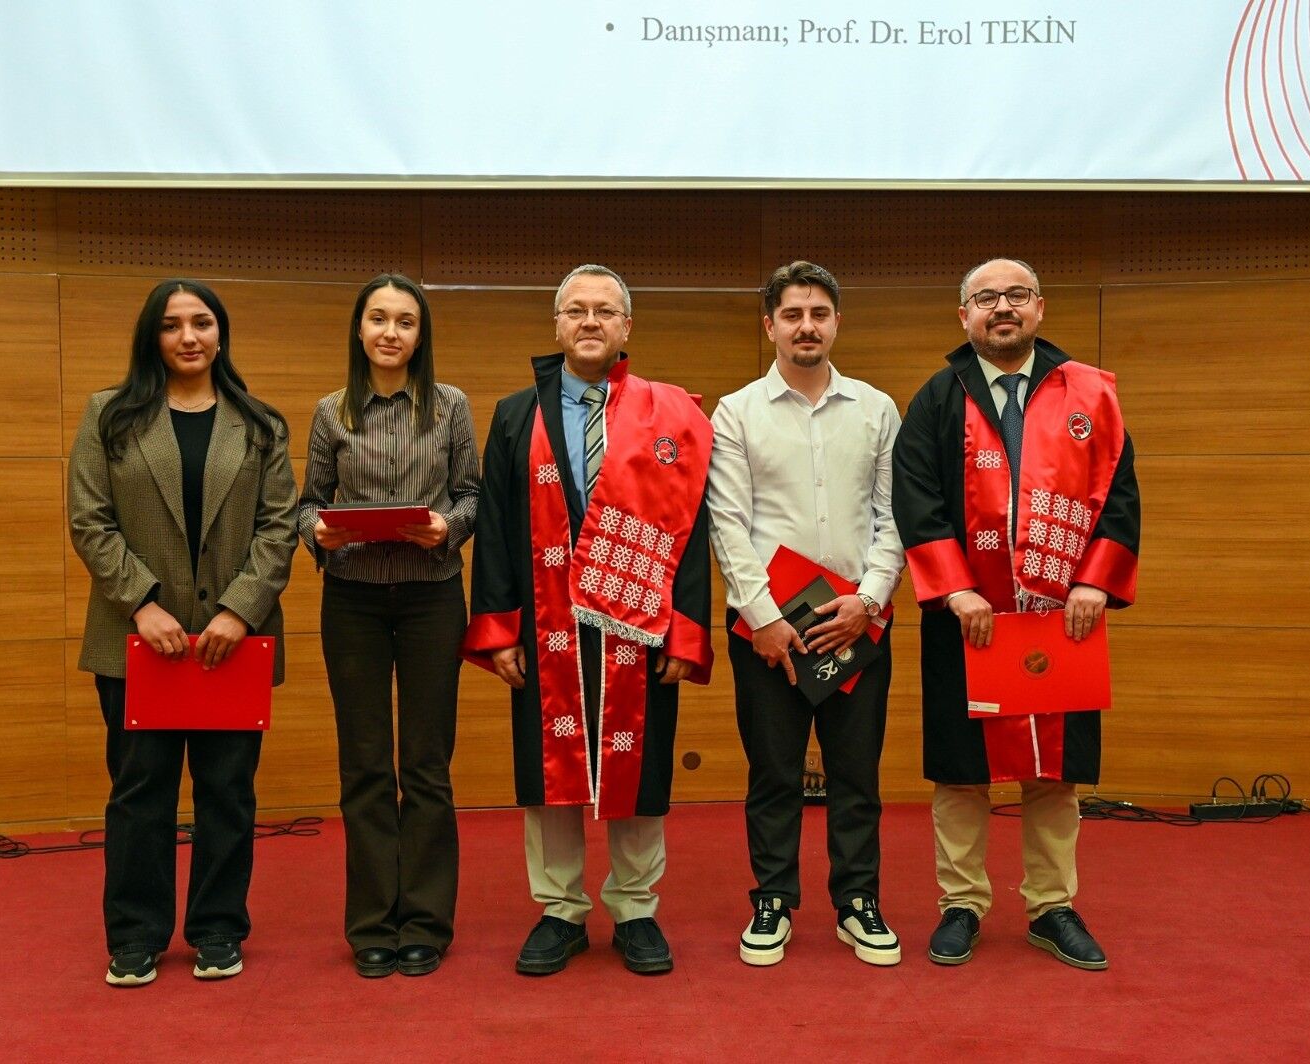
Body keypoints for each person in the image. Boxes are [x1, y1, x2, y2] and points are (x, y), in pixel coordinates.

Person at [461, 264, 713, 976]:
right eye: (577, 310)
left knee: (640, 763)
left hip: (641, 621)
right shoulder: (516, 414)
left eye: (606, 310)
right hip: (548, 623)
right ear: (558, 325)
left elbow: (689, 530)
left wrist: (684, 631)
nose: (591, 321)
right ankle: (560, 909)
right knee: (552, 769)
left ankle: (636, 909)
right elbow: (500, 531)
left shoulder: (671, 415)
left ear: (627, 326)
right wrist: (498, 628)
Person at [891, 258, 1140, 971]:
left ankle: (1051, 905)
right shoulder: (939, 398)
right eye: (986, 298)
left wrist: (1096, 581)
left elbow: (1119, 495)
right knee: (962, 773)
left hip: (1063, 615)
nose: (1003, 308)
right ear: (963, 315)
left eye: (1017, 295)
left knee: (1054, 771)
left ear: (1040, 307)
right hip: (966, 615)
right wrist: (954, 587)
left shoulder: (1089, 393)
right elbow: (914, 497)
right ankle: (961, 904)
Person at [68, 278, 297, 987]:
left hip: (235, 640)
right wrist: (142, 603)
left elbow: (279, 527)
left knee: (228, 792)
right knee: (142, 792)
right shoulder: (109, 414)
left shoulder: (259, 423)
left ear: (221, 334)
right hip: (139, 641)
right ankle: (135, 935)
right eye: (172, 325)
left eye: (202, 323)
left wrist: (238, 609)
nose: (189, 337)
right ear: (152, 336)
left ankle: (219, 929)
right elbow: (90, 520)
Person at [708, 261, 906, 968]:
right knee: (773, 773)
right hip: (768, 632)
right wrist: (762, 617)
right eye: (792, 314)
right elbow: (727, 522)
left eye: (819, 313)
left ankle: (858, 902)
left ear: (837, 323)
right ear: (770, 325)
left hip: (858, 622)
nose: (806, 326)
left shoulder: (877, 408)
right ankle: (773, 898)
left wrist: (870, 599)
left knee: (857, 773)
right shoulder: (736, 411)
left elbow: (894, 518)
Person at [295, 274, 479, 978]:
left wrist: (448, 528)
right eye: (378, 318)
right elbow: (308, 503)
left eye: (405, 321)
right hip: (353, 602)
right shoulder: (331, 410)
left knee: (426, 766)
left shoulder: (451, 407)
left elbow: (471, 494)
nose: (391, 332)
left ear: (420, 335)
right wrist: (322, 534)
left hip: (433, 597)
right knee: (366, 765)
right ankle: (372, 921)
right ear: (360, 329)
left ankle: (426, 923)